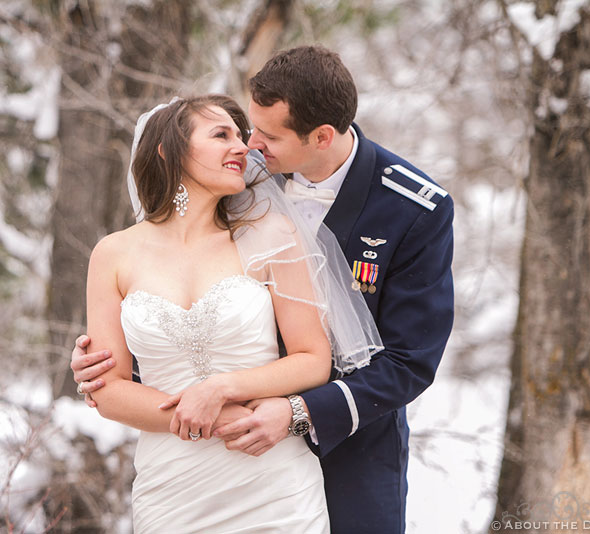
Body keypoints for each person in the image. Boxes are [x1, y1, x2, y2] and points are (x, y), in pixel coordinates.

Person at [74, 46, 454, 533]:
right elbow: (160, 307)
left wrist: (297, 412)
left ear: (321, 137)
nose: (250, 145)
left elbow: (408, 361)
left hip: (349, 444)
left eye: (267, 135)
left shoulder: (412, 209)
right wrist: (105, 359)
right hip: (185, 470)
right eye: (240, 130)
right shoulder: (240, 179)